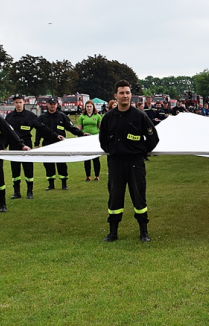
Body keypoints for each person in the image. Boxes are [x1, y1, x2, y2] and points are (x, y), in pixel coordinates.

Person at [99, 80, 159, 242]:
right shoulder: (108, 118)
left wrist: (140, 151)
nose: (125, 96)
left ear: (131, 95)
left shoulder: (140, 116)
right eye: (121, 93)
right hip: (116, 163)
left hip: (135, 163)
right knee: (115, 197)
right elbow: (103, 141)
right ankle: (113, 232)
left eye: (127, 93)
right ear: (115, 96)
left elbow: (153, 138)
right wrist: (113, 152)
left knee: (139, 196)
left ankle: (143, 232)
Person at [5, 94, 61, 199]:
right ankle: (16, 192)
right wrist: (3, 146)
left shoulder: (30, 116)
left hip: (27, 145)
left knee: (28, 169)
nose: (18, 104)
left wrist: (55, 135)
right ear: (14, 103)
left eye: (20, 102)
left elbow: (42, 128)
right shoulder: (9, 117)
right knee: (15, 170)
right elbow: (6, 134)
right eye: (16, 102)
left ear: (24, 102)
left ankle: (29, 191)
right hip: (13, 147)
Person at [35, 98, 88, 191]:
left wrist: (82, 134)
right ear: (47, 105)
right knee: (48, 164)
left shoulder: (62, 116)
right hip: (47, 143)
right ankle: (51, 184)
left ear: (57, 104)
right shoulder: (42, 117)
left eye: (54, 104)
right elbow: (39, 131)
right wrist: (36, 143)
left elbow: (71, 128)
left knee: (62, 163)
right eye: (51, 104)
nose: (52, 105)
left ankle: (64, 184)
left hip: (60, 144)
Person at [77, 100, 102, 181]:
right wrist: (81, 135)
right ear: (85, 107)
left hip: (95, 139)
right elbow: (79, 129)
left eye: (90, 106)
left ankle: (97, 176)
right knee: (87, 158)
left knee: (96, 158)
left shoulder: (97, 116)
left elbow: (100, 128)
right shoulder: (82, 116)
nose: (89, 108)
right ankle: (88, 176)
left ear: (93, 107)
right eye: (87, 106)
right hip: (85, 139)